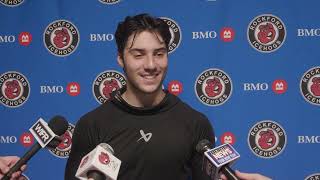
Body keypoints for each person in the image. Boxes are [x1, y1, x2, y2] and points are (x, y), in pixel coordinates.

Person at [65, 13, 271, 180]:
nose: (151, 65)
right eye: (138, 55)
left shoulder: (195, 124)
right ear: (120, 58)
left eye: (159, 53)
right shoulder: (91, 125)